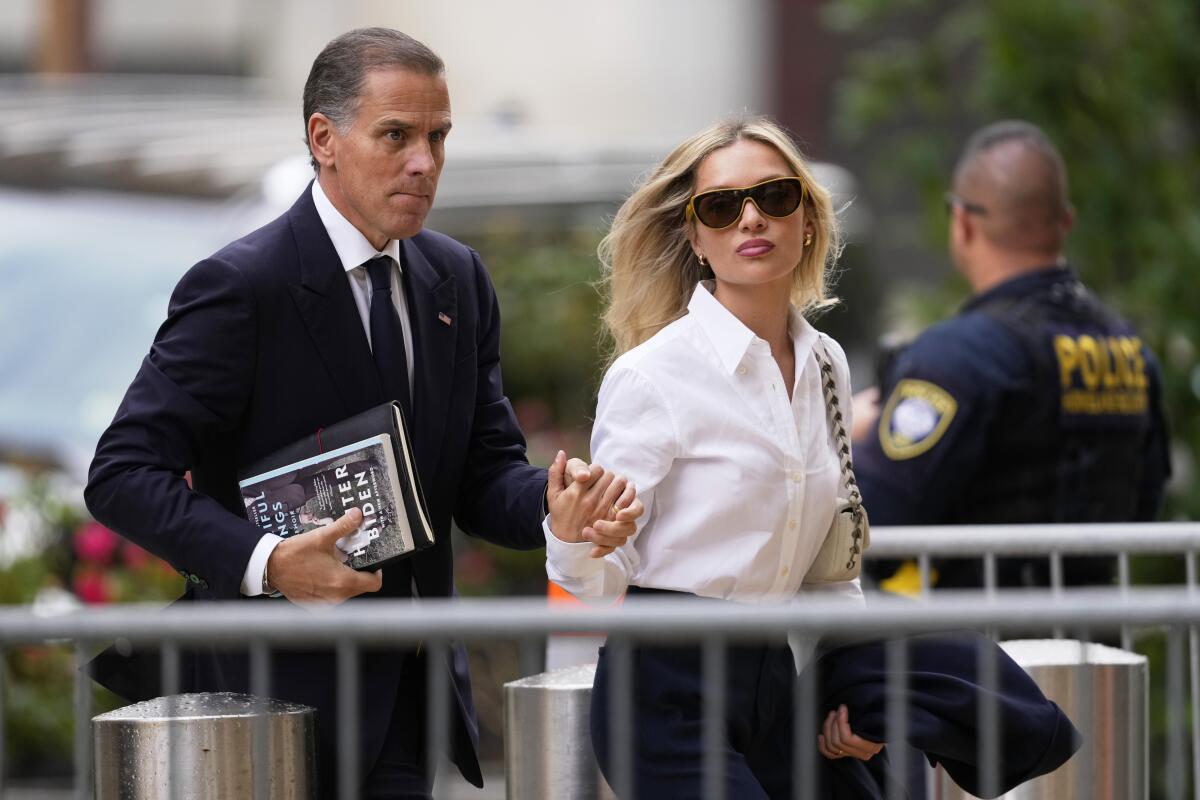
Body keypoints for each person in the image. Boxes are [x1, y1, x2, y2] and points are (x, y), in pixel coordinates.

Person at [83, 27, 641, 799]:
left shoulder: (455, 278)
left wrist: (555, 504)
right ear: (325, 139)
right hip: (262, 713)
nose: (425, 162)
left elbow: (481, 476)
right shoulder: (243, 286)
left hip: (408, 701)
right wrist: (270, 563)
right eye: (397, 136)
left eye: (438, 137)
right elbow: (120, 475)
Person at [547, 117, 1081, 799]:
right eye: (720, 205)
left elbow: (832, 567)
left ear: (805, 219)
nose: (751, 219)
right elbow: (601, 580)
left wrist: (857, 696)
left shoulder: (826, 363)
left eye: (774, 196)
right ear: (696, 238)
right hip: (667, 692)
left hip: (783, 672)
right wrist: (575, 536)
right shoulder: (652, 376)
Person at [853, 121, 1172, 592]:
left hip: (977, 653)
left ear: (961, 222)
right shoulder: (1131, 353)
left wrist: (857, 439)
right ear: (1064, 222)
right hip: (1096, 647)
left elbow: (881, 523)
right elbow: (1145, 501)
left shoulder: (960, 355)